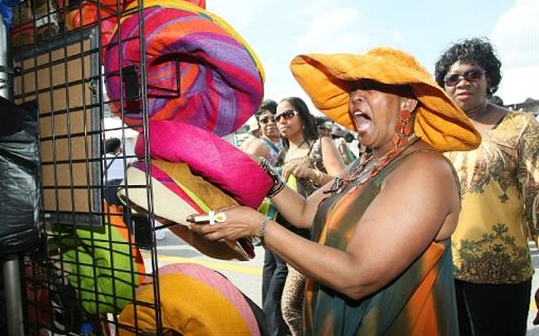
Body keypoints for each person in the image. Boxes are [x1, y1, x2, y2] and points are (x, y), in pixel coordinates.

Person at [188, 47, 481, 335]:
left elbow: (357, 276)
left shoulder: (425, 170)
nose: (356, 96)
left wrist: (258, 226)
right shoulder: (368, 161)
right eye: (354, 89)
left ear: (407, 102)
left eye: (371, 87)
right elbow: (304, 212)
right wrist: (263, 172)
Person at [434, 37, 539, 336]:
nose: (462, 82)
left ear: (489, 77)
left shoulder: (521, 127)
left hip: (503, 273)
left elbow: (537, 199)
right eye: (452, 78)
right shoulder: (437, 134)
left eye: (472, 74)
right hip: (443, 273)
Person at [274, 96, 345, 335]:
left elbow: (343, 180)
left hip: (320, 231)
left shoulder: (321, 143)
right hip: (290, 233)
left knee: (291, 307)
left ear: (303, 116)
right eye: (277, 117)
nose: (281, 120)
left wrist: (312, 174)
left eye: (288, 114)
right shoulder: (282, 154)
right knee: (309, 306)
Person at [244, 100, 289, 335]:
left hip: (280, 213)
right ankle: (273, 325)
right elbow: (243, 176)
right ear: (258, 125)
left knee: (272, 268)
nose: (271, 124)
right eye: (265, 120)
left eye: (274, 118)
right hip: (269, 214)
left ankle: (268, 320)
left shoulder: (280, 142)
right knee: (279, 269)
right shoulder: (260, 147)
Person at [104, 137, 125, 206]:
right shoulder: (124, 157)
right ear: (117, 148)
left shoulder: (102, 158)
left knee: (110, 209)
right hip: (121, 185)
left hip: (105, 186)